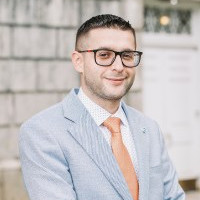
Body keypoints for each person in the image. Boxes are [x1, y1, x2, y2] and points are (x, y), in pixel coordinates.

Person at [19, 14, 185, 200]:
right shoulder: (42, 132)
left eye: (127, 55)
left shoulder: (149, 127)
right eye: (104, 55)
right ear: (78, 61)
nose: (119, 66)